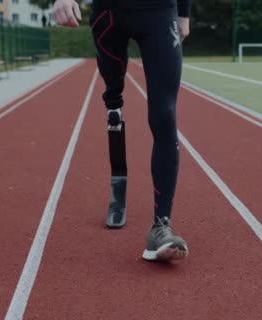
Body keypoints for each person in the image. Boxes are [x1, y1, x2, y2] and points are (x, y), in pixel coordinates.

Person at [52, 0, 190, 262]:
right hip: (109, 13)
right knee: (113, 104)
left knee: (164, 115)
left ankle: (161, 226)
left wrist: (184, 12)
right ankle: (119, 186)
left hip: (160, 12)